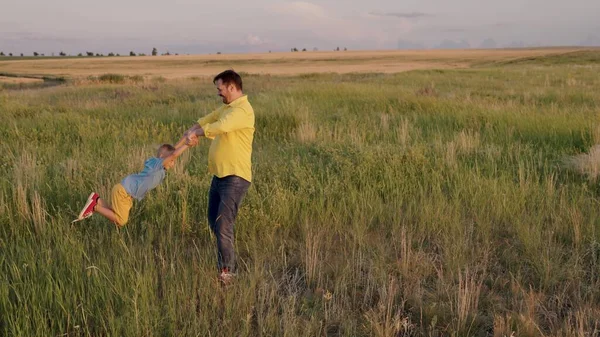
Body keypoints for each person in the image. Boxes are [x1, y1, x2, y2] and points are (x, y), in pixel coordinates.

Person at [185, 69, 255, 285]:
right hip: (220, 175)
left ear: (232, 87)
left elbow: (221, 126)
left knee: (223, 225)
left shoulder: (242, 110)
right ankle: (225, 262)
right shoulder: (227, 108)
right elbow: (208, 119)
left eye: (220, 88)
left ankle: (227, 273)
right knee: (214, 222)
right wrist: (191, 131)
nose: (219, 93)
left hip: (235, 177)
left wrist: (197, 133)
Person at [74, 139, 190, 226]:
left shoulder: (158, 166)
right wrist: (187, 144)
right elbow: (174, 154)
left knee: (115, 214)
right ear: (162, 157)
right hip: (123, 191)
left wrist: (186, 137)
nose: (173, 163)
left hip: (125, 192)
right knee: (121, 220)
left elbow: (173, 152)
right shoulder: (157, 164)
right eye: (172, 160)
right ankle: (95, 207)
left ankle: (97, 200)